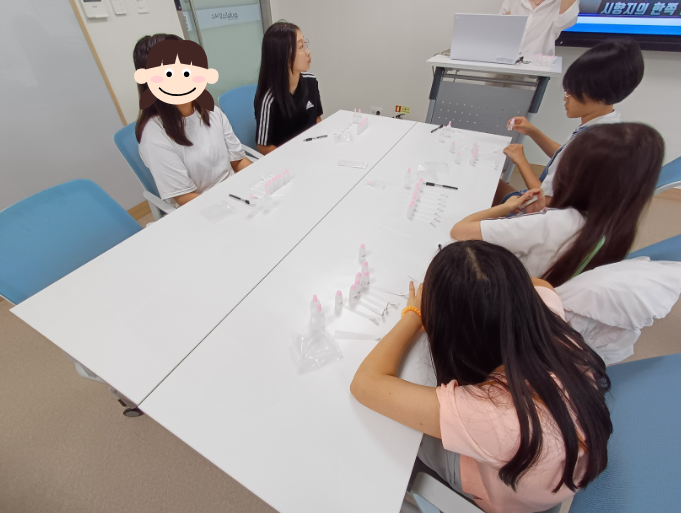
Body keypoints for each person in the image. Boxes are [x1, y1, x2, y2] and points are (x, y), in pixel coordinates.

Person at [351, 241, 613, 513]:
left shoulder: (491, 412)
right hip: (561, 458)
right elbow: (542, 286)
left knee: (399, 425)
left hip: (511, 493)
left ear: (457, 332)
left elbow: (366, 383)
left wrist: (413, 315)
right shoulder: (551, 327)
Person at [451, 123, 664, 287]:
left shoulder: (556, 224)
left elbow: (460, 230)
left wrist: (506, 208)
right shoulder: (619, 222)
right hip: (539, 287)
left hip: (508, 291)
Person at [495, 38, 644, 207]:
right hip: (553, 206)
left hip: (544, 210)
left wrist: (521, 161)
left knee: (486, 189)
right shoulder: (606, 125)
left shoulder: (591, 141)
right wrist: (532, 131)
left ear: (595, 94)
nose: (565, 99)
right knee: (493, 184)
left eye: (570, 92)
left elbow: (546, 201)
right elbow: (565, 156)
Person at [134, 34, 251, 206]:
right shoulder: (154, 136)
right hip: (204, 207)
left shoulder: (211, 111)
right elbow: (185, 197)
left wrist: (259, 180)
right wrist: (234, 203)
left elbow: (238, 160)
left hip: (236, 194)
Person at [255, 22, 323, 155]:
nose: (308, 52)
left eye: (305, 44)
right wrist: (292, 156)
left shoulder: (311, 81)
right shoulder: (269, 100)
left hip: (312, 152)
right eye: (301, 47)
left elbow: (317, 119)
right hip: (287, 160)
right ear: (284, 56)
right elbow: (263, 147)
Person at [500, 0, 580, 57]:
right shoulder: (513, 2)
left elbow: (566, 21)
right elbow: (499, 32)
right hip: (502, 66)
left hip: (536, 70)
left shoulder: (558, 4)